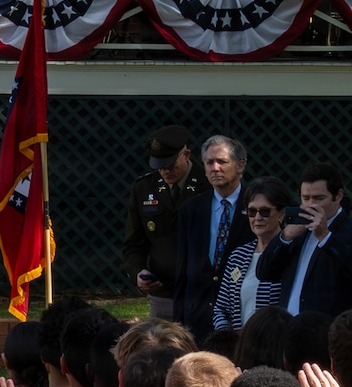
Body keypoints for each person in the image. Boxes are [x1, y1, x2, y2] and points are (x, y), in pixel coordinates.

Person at [122, 125, 207, 318]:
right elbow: (134, 243)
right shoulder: (143, 188)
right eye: (159, 166)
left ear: (186, 155)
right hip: (163, 293)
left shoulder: (208, 184)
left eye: (170, 164)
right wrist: (138, 272)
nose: (165, 171)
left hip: (202, 292)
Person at [175, 135, 253, 339]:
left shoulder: (257, 208)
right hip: (198, 317)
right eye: (209, 162)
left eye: (222, 162)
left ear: (240, 165)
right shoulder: (190, 210)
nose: (215, 168)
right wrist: (178, 323)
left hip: (240, 315)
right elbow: (182, 271)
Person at [256, 162, 352, 318]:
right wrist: (285, 238)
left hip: (329, 332)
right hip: (290, 330)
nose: (310, 205)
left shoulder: (347, 230)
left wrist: (325, 237)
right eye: (305, 198)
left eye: (319, 198)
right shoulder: (298, 230)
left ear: (338, 196)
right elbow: (264, 272)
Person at [213, 176, 290, 330]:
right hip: (241, 348)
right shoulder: (238, 256)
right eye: (252, 211)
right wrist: (229, 340)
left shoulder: (291, 253)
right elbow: (220, 309)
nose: (258, 218)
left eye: (265, 211)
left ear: (281, 214)